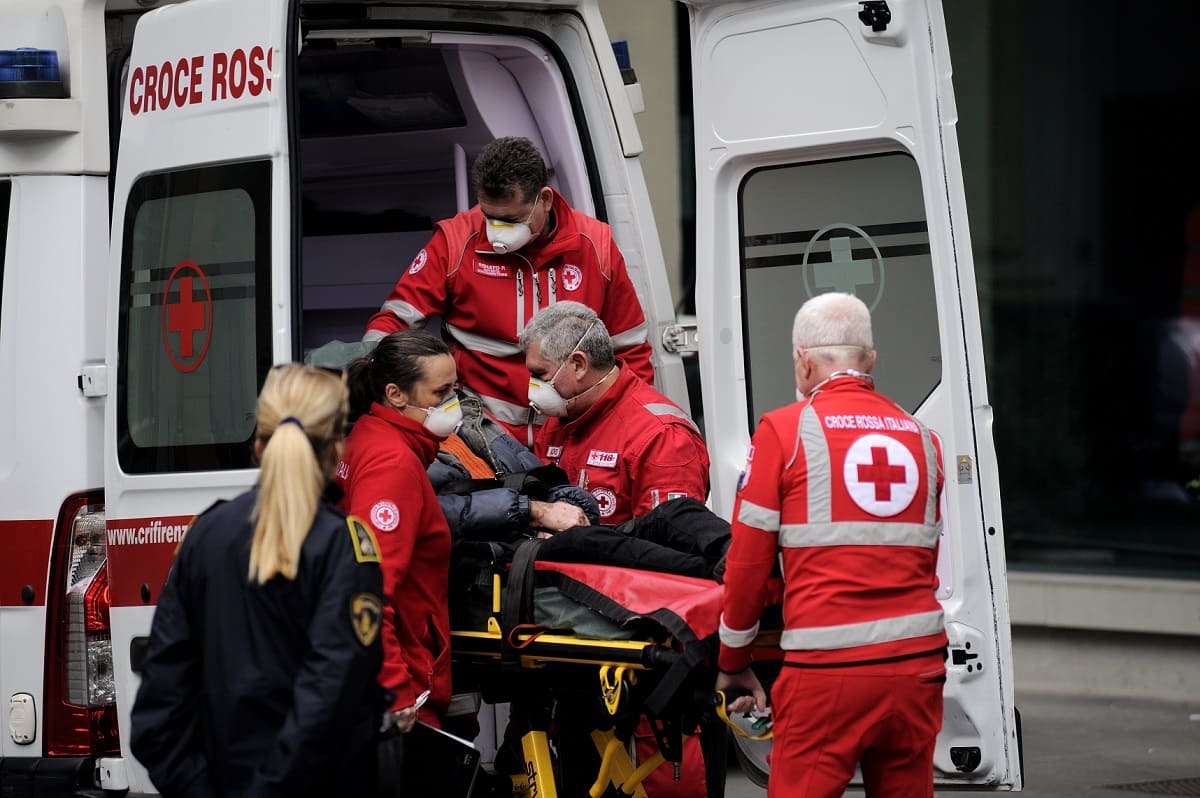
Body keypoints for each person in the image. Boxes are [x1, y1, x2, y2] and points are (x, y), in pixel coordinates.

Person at [715, 292, 948, 798]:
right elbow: (921, 560)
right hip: (918, 667)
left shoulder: (782, 432)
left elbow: (748, 564)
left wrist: (733, 661)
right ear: (871, 361)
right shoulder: (923, 439)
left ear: (803, 362)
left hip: (828, 670)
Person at [130, 364, 384, 798]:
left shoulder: (205, 535)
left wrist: (198, 787)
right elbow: (330, 700)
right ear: (336, 447)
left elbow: (159, 706)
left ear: (259, 444)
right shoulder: (344, 546)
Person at [363, 136, 654, 443]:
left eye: (511, 219)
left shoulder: (595, 248)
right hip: (478, 435)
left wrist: (630, 429)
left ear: (544, 200)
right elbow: (394, 321)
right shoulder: (455, 241)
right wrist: (370, 383)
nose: (496, 232)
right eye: (488, 216)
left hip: (573, 434)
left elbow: (629, 350)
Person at [336, 330, 459, 731]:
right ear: (396, 395)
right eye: (441, 392)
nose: (453, 403)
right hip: (402, 685)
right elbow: (369, 586)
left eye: (454, 388)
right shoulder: (392, 464)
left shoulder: (366, 437)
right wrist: (395, 687)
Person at [520, 301, 710, 525]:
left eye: (539, 374)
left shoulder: (662, 437)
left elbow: (668, 538)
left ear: (579, 365)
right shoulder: (562, 418)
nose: (533, 385)